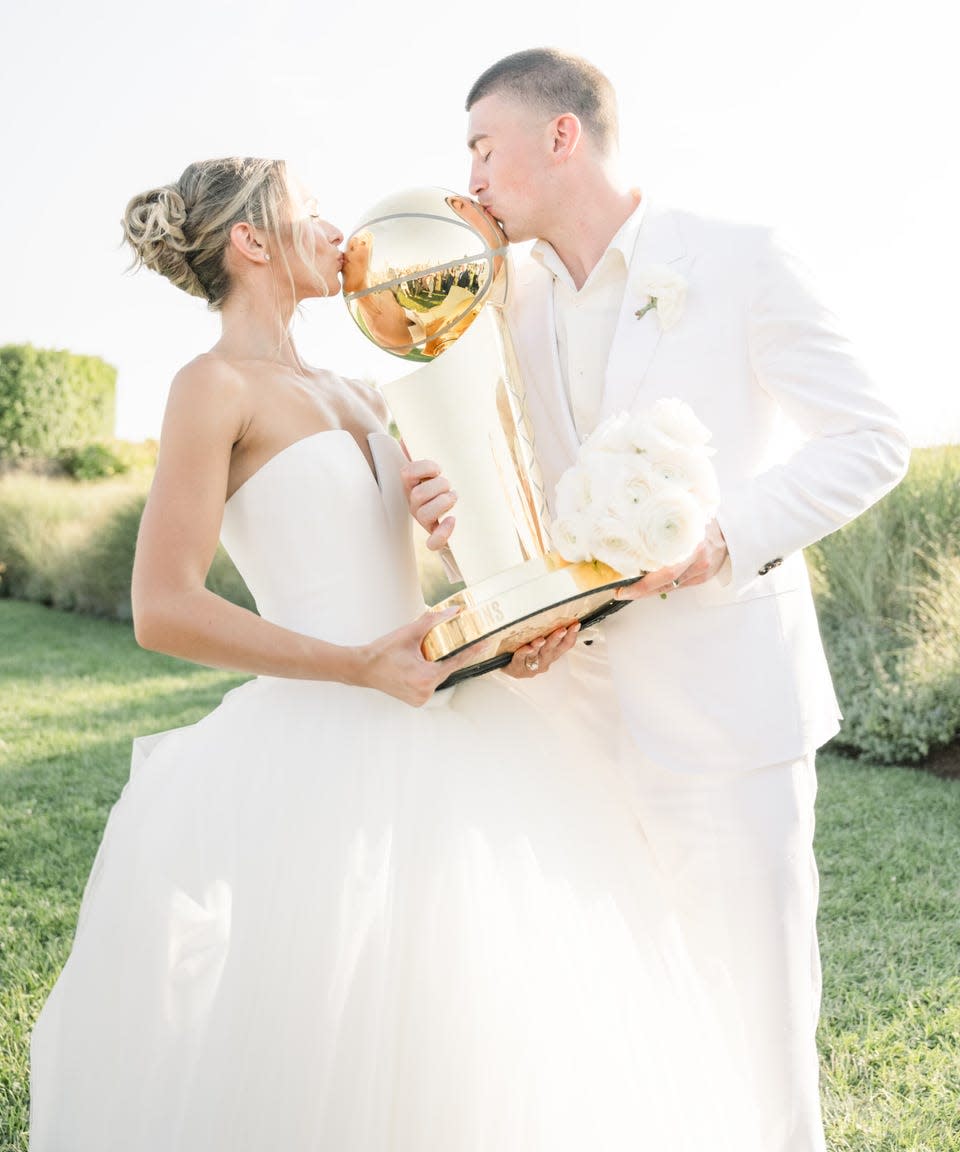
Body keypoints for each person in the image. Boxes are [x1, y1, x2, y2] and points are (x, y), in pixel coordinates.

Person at [30, 156, 763, 1151]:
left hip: (443, 716)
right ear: (253, 243)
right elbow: (162, 608)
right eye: (312, 215)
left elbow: (400, 584)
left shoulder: (357, 386)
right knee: (329, 1023)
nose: (341, 233)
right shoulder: (211, 388)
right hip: (322, 736)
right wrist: (356, 667)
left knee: (478, 1007)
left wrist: (483, 614)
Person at [406, 50, 911, 1152]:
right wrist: (465, 526)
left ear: (562, 137)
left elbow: (872, 441)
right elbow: (527, 494)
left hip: (726, 713)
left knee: (755, 1019)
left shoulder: (738, 262)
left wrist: (717, 538)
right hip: (571, 723)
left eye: (483, 146)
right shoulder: (507, 303)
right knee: (613, 1013)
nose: (472, 177)